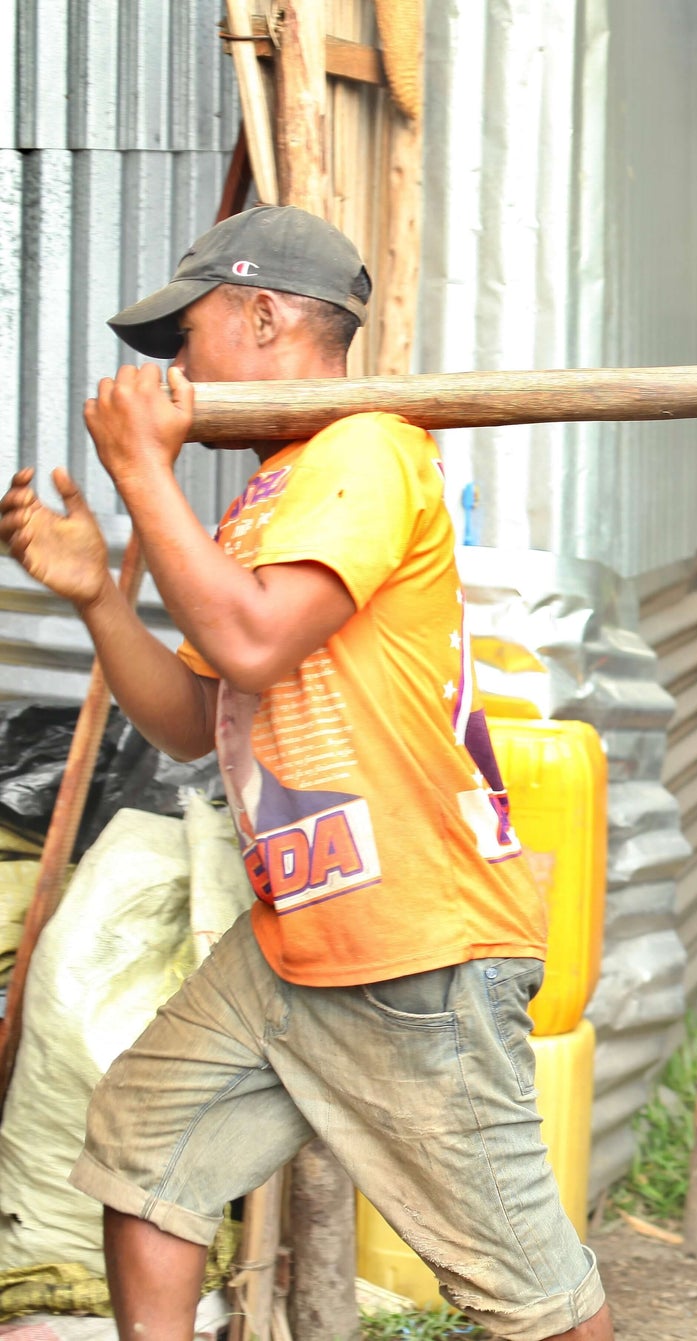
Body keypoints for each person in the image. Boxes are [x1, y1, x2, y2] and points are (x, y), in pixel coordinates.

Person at [0, 205, 610, 1340]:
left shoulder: (365, 449)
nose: (176, 371)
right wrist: (94, 595)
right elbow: (193, 721)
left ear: (266, 315)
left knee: (531, 1294)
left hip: (413, 943)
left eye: (187, 337)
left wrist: (142, 470)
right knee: (142, 1151)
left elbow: (252, 640)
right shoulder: (269, 494)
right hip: (299, 931)